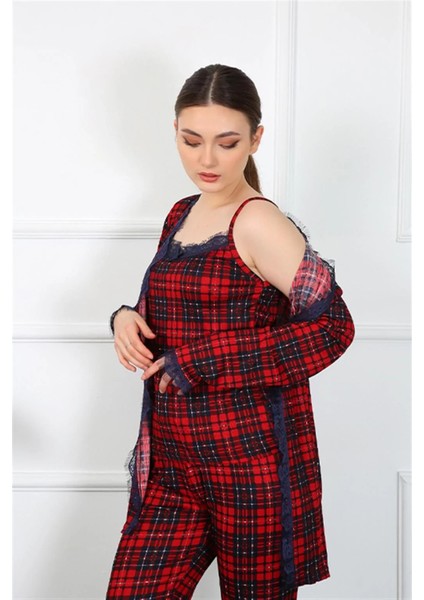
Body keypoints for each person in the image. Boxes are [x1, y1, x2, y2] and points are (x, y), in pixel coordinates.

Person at [106, 64, 355, 600]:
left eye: (227, 143)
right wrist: (125, 316)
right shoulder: (180, 214)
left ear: (255, 139)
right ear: (175, 131)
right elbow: (173, 314)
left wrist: (204, 360)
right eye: (191, 140)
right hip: (174, 465)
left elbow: (333, 327)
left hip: (251, 468)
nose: (207, 160)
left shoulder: (259, 222)